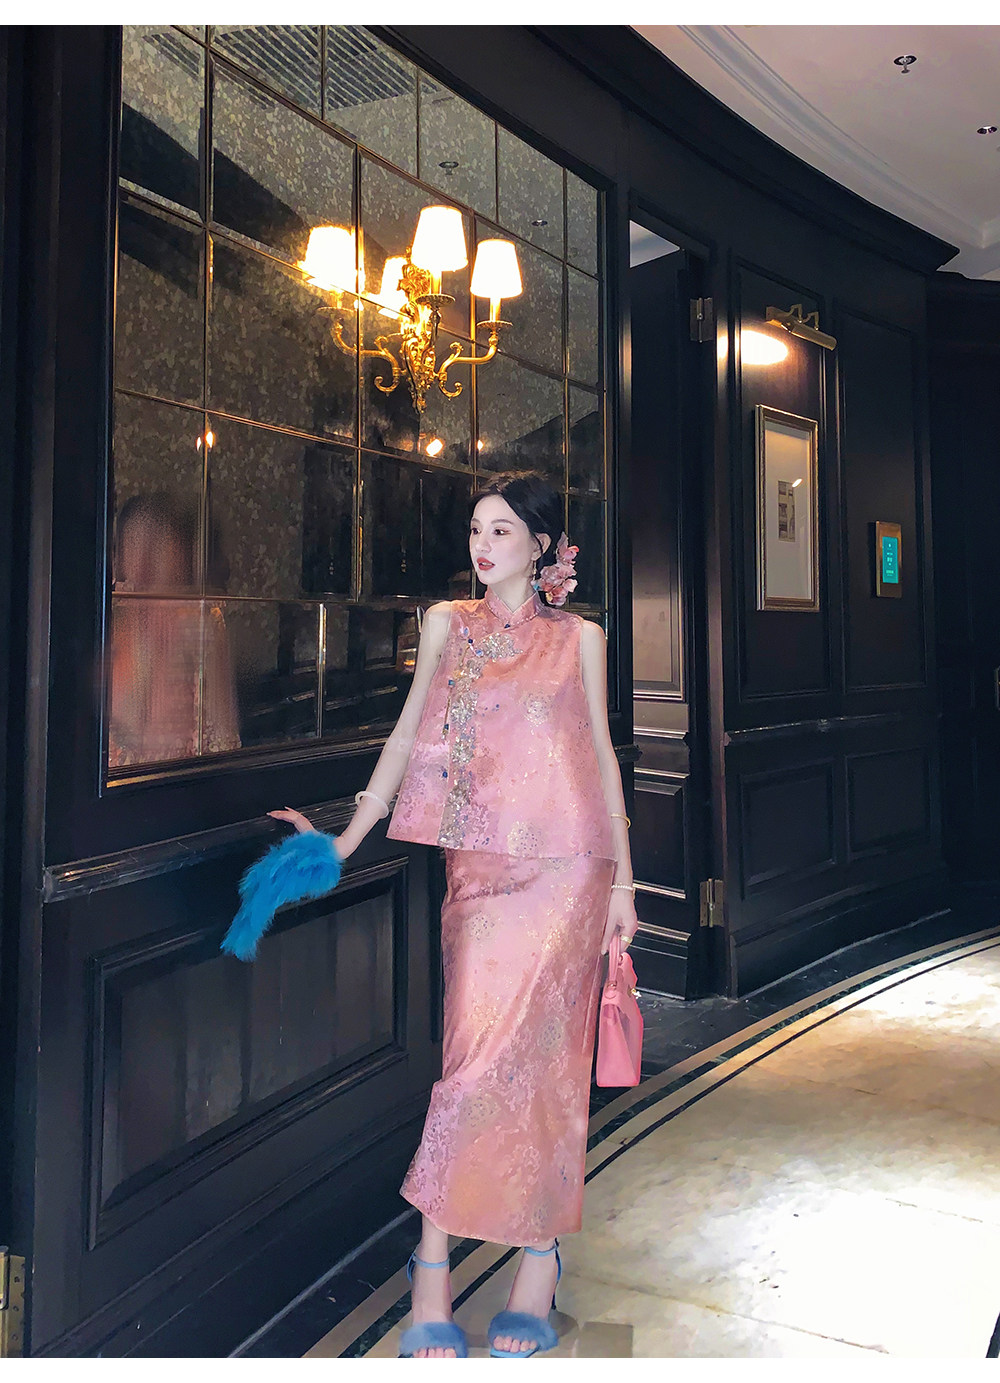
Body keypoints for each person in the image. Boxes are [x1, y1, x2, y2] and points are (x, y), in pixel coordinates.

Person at [270, 471, 638, 1358]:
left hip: (570, 873)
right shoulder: (447, 625)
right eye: (477, 529)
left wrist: (626, 885)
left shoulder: (581, 639)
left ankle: (538, 1260)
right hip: (479, 872)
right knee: (470, 1069)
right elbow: (405, 736)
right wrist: (345, 840)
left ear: (542, 546)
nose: (483, 545)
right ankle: (429, 1262)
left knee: (549, 1071)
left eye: (502, 531)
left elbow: (600, 752)